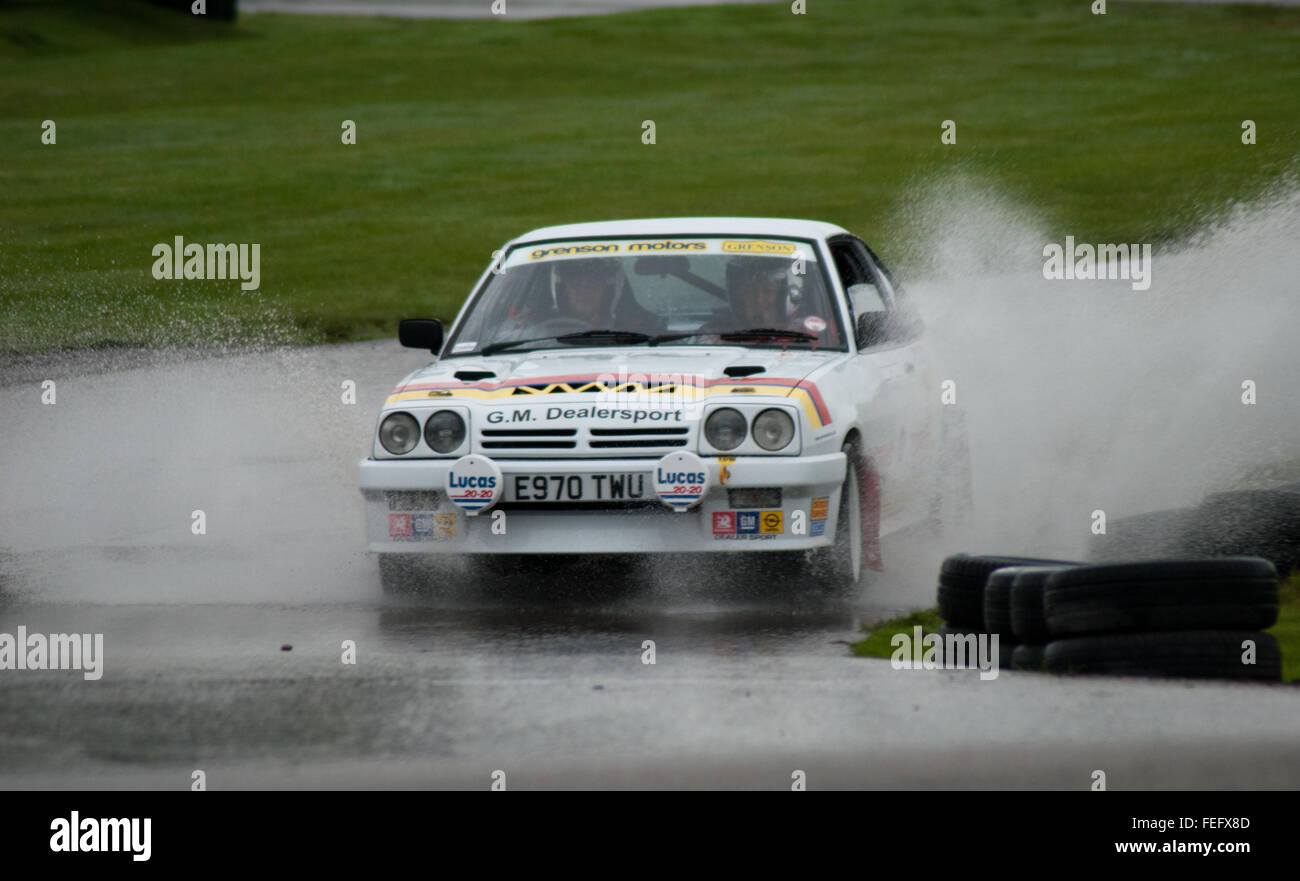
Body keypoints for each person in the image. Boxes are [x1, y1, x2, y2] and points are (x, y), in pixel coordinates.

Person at [550, 258, 665, 333]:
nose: (584, 289)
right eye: (574, 281)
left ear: (607, 288)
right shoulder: (540, 333)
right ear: (563, 288)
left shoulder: (637, 332)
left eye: (594, 281)